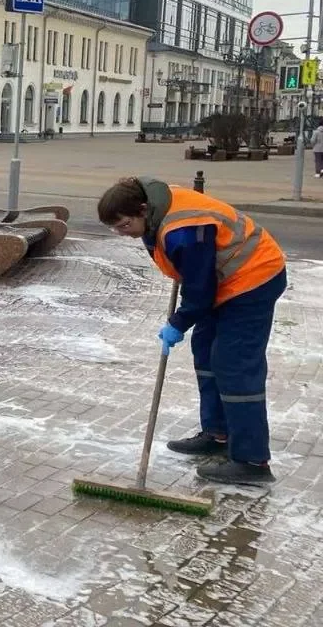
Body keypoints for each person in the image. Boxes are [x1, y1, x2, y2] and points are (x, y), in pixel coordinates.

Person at [98, 176, 287, 485]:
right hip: (226, 279)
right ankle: (218, 434)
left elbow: (200, 290)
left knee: (234, 364)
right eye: (115, 228)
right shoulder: (157, 210)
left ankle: (253, 461)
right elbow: (196, 277)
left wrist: (178, 322)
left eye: (123, 225)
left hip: (254, 277)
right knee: (205, 351)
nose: (121, 234)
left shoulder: (183, 231)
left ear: (143, 210)